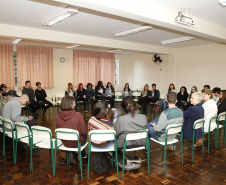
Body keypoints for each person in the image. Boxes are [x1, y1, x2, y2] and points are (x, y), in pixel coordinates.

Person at [56, 96, 87, 164]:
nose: (75, 104)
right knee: (83, 133)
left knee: (73, 132)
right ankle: (84, 156)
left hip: (64, 142)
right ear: (70, 105)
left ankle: (75, 156)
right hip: (76, 142)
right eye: (74, 103)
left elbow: (57, 130)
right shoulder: (78, 115)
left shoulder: (58, 116)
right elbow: (83, 131)